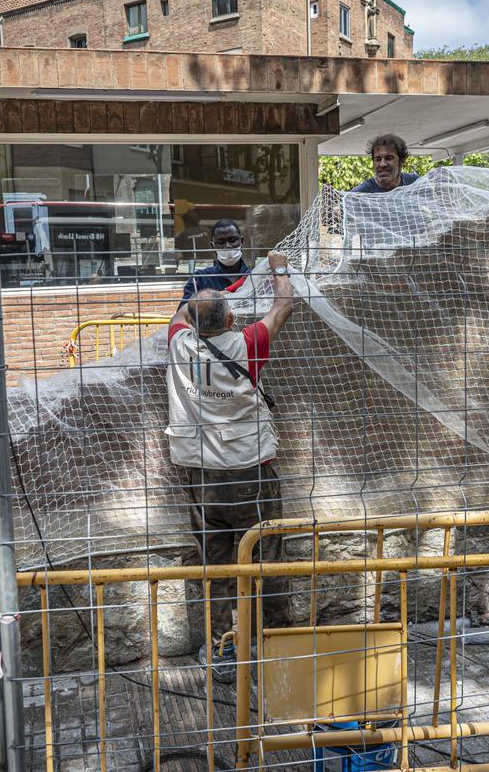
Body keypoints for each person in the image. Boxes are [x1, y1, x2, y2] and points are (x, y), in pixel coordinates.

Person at [167, 250, 295, 683]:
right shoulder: (248, 342)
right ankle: (277, 649)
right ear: (229, 321)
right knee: (268, 560)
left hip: (202, 477)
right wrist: (276, 267)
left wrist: (207, 291)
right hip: (251, 472)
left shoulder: (180, 343)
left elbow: (182, 313)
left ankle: (223, 651)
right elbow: (284, 306)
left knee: (217, 564)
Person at [178, 218, 250, 308]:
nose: (227, 246)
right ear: (213, 246)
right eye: (221, 242)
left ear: (241, 241)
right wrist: (212, 299)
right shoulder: (200, 279)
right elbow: (182, 312)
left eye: (233, 240)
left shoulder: (254, 277)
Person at [351, 134, 420, 193]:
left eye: (389, 158)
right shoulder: (360, 193)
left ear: (402, 160)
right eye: (378, 159)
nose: (382, 164)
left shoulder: (414, 183)